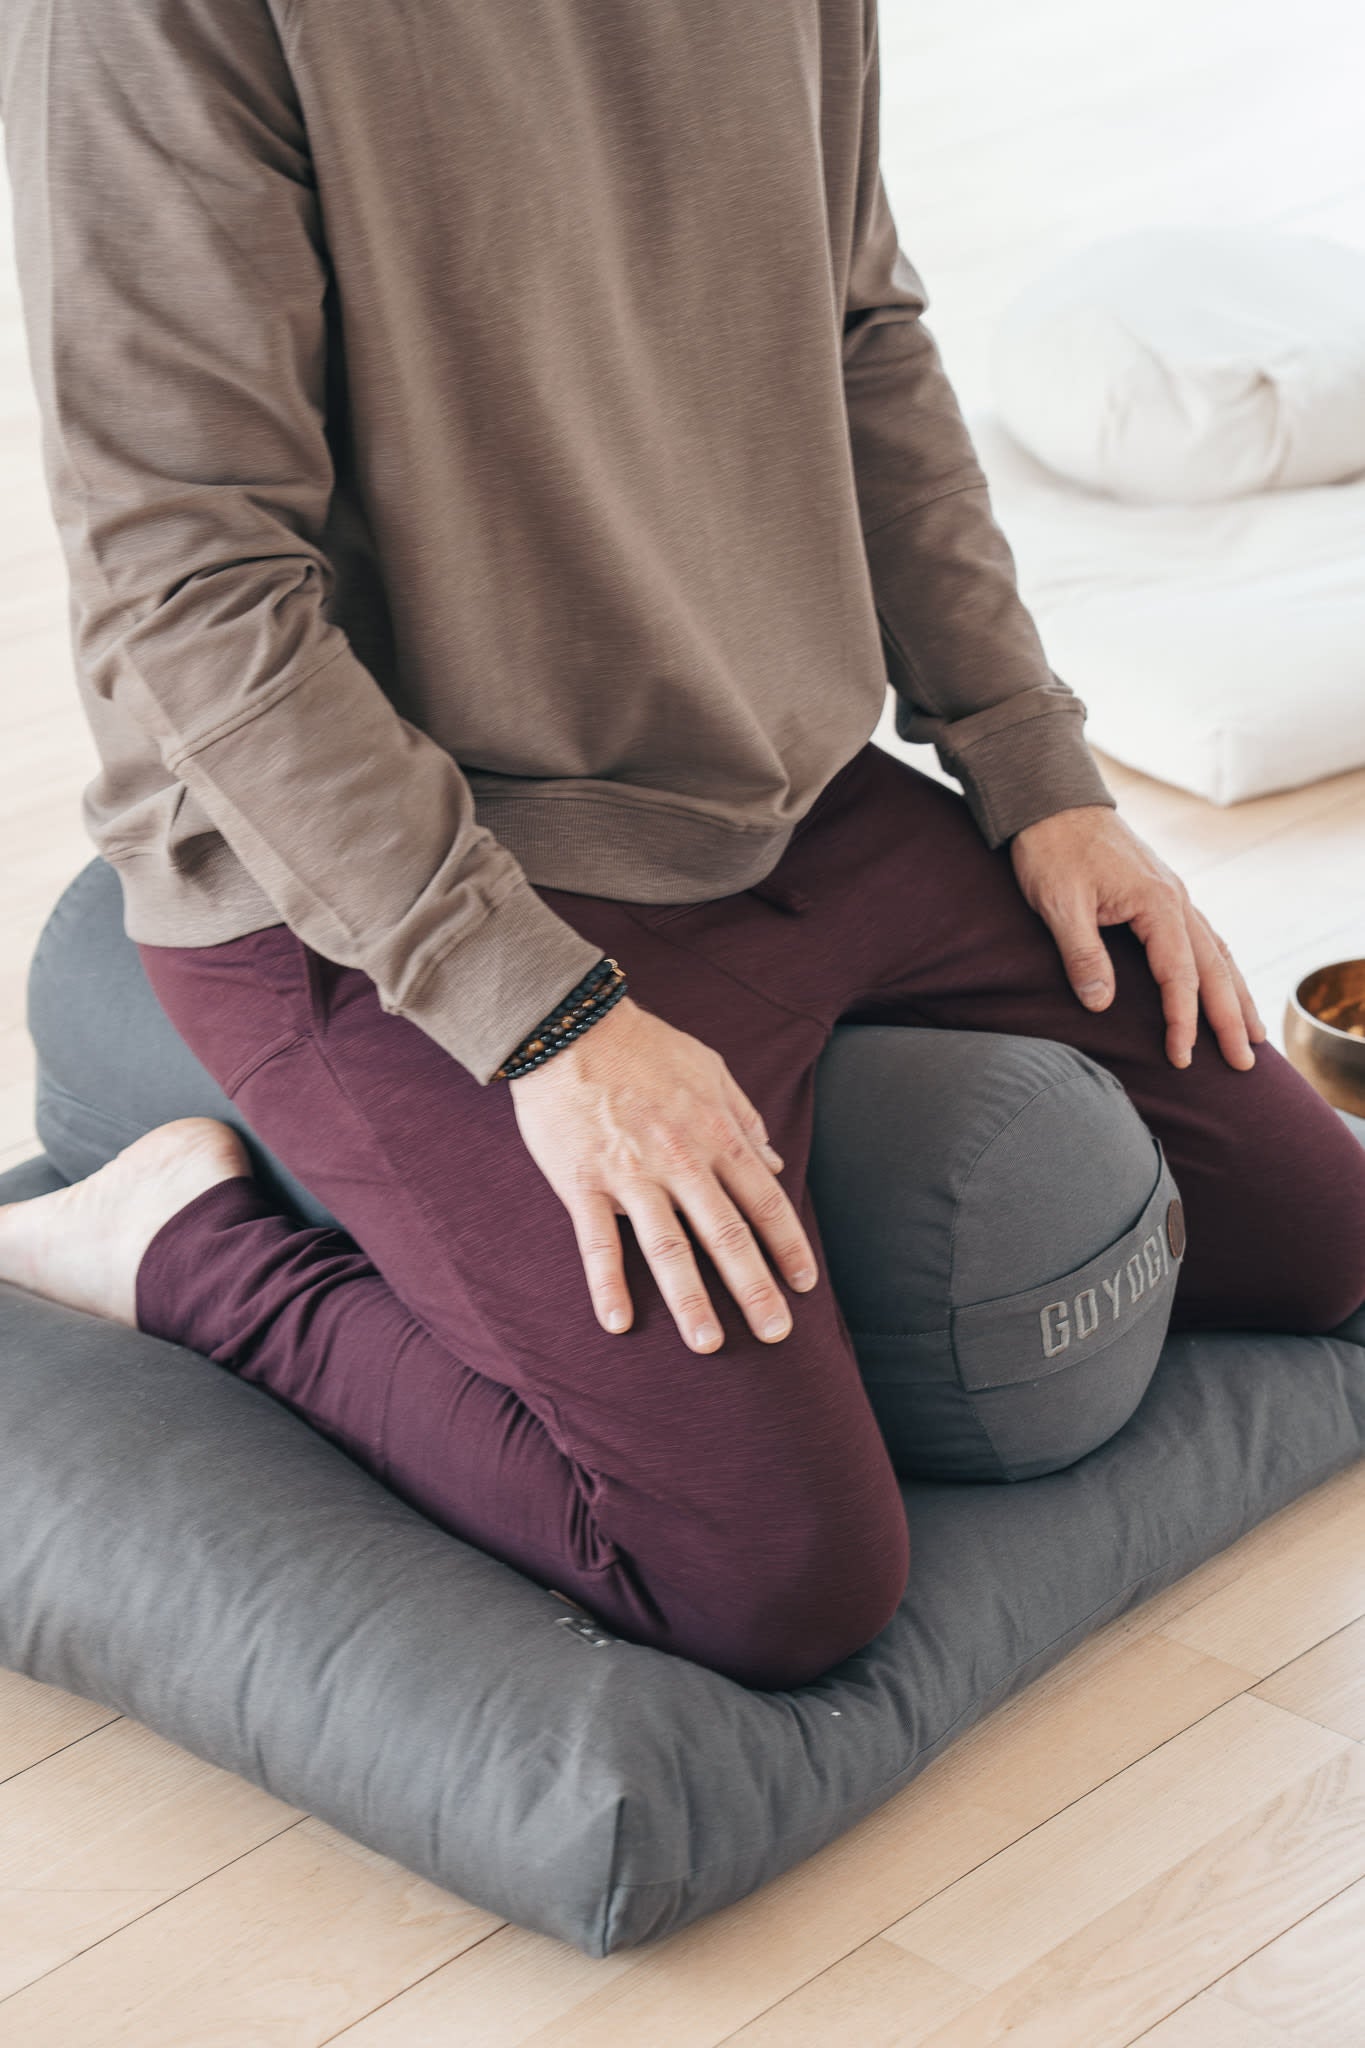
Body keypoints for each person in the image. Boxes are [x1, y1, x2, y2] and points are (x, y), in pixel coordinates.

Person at [2, 0, 1363, 1691]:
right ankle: (177, 1251)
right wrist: (541, 1018)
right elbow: (188, 583)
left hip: (777, 789)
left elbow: (857, 333)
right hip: (373, 875)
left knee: (1314, 1241)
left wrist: (1036, 767)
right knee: (771, 1577)